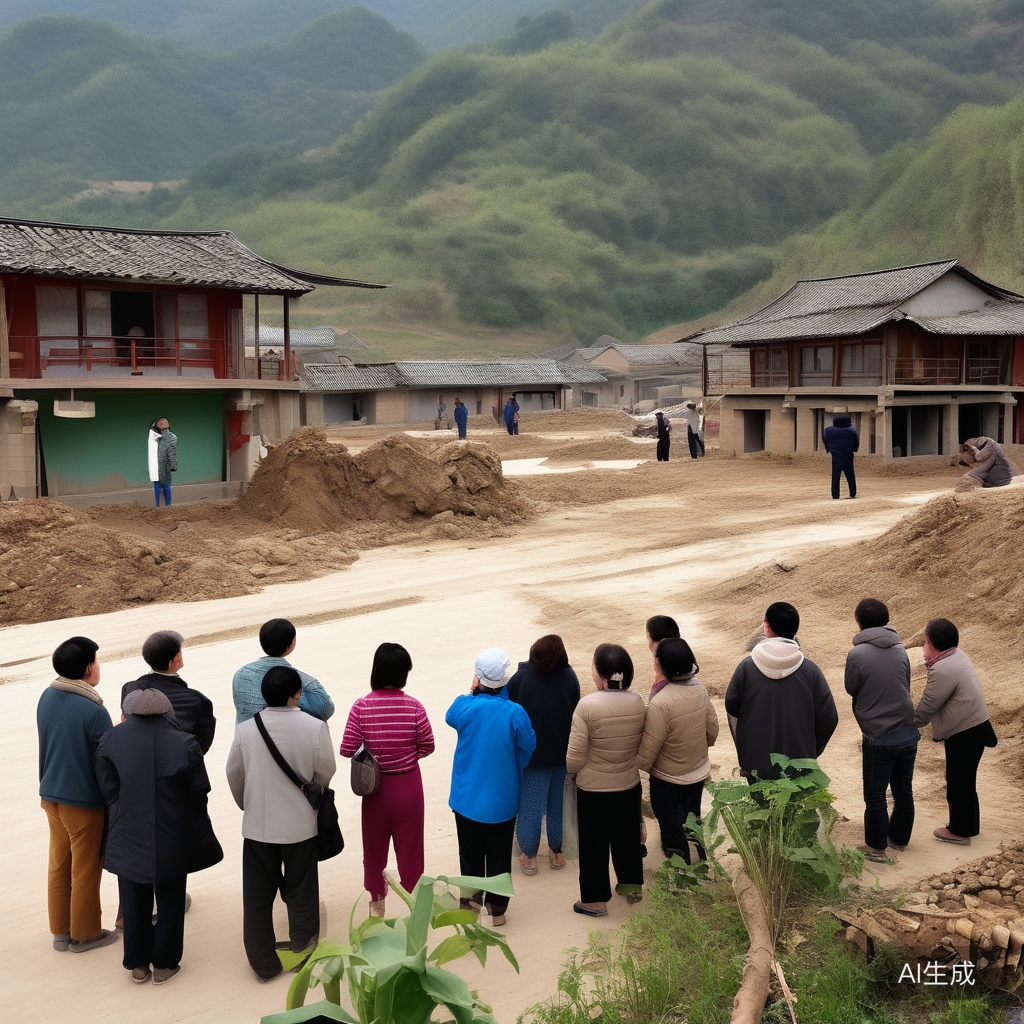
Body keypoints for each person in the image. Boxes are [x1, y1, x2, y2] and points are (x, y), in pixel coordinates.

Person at [95, 687, 223, 985]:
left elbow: (108, 788)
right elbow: (199, 791)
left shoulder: (111, 739)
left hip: (128, 828)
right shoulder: (184, 742)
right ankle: (165, 964)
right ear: (166, 712)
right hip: (173, 831)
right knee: (171, 898)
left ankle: (138, 964)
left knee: (133, 896)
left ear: (129, 712)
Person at [226, 666, 336, 981]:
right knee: (302, 893)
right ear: (297, 693)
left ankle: (263, 964)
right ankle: (303, 955)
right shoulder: (314, 727)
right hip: (301, 826)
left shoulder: (247, 729)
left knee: (258, 900)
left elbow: (234, 774)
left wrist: (249, 805)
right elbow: (324, 772)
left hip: (258, 828)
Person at [340, 644, 434, 918]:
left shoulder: (362, 706)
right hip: (409, 787)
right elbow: (428, 745)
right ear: (404, 673)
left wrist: (375, 755)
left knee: (374, 848)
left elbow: (347, 748)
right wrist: (405, 756)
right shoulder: (414, 706)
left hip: (376, 791)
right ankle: (414, 907)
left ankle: (377, 904)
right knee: (411, 849)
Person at [37, 636, 116, 953]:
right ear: (87, 668)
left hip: (51, 794)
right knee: (85, 869)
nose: (99, 666)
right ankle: (86, 935)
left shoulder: (47, 695)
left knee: (59, 865)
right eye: (96, 661)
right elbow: (107, 764)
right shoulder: (93, 710)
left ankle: (61, 931)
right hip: (82, 802)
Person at [446, 648, 536, 927]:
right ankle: (497, 910)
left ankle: (470, 907)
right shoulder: (514, 712)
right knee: (499, 857)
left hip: (466, 799)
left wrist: (472, 691)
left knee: (469, 855)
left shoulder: (465, 706)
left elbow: (451, 715)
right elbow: (527, 747)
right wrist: (511, 765)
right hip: (502, 799)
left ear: (477, 678)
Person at [567, 644, 647, 917]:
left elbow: (575, 759)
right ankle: (630, 885)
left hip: (593, 787)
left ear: (600, 675)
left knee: (593, 845)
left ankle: (595, 900)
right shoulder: (637, 702)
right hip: (627, 782)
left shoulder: (587, 705)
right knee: (627, 837)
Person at [724, 602, 838, 782]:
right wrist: (810, 751)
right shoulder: (811, 671)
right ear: (795, 630)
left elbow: (732, 705)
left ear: (766, 625)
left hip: (756, 764)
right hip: (799, 765)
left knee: (761, 810)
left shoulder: (746, 667)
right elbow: (829, 718)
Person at [844, 599, 919, 863]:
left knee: (875, 795)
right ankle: (898, 840)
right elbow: (905, 683)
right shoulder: (900, 649)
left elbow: (851, 688)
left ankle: (876, 849)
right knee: (903, 790)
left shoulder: (857, 655)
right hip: (908, 732)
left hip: (878, 735)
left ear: (858, 621)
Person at [914, 618, 997, 846]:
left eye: (925, 643)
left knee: (959, 781)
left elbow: (928, 706)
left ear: (934, 644)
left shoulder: (942, 669)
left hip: (965, 731)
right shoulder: (957, 655)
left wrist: (907, 724)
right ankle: (967, 826)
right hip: (975, 726)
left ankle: (959, 831)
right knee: (965, 780)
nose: (923, 648)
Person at [637, 638, 718, 864]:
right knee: (693, 819)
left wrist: (636, 766)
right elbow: (712, 729)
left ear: (661, 665)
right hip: (697, 772)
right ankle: (700, 859)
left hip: (668, 779)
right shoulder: (699, 688)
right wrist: (699, 751)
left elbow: (649, 749)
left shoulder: (661, 702)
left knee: (671, 825)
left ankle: (681, 870)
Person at [507, 635, 580, 875]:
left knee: (530, 806)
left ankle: (529, 857)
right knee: (556, 805)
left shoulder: (522, 678)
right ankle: (557, 853)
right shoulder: (569, 677)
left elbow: (510, 708)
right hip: (562, 753)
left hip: (532, 756)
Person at [123, 631, 216, 754]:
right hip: (180, 761)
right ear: (176, 658)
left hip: (138, 758)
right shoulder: (197, 700)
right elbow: (203, 742)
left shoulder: (130, 689)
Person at [232, 619, 335, 725]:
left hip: (245, 738)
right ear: (292, 642)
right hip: (285, 737)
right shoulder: (306, 682)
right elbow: (327, 710)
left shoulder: (241, 673)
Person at [823, 414, 858, 499]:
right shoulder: (851, 429)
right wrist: (854, 449)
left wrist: (828, 449)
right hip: (848, 456)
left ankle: (835, 495)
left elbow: (825, 440)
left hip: (835, 456)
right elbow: (856, 441)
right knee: (850, 475)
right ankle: (852, 493)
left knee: (835, 476)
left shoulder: (828, 430)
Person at [148, 417, 177, 507]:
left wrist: (173, 465)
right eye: (162, 423)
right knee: (158, 488)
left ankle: (168, 505)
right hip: (155, 466)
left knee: (166, 488)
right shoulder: (153, 437)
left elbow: (172, 453)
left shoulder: (171, 437)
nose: (164, 424)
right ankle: (159, 507)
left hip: (165, 466)